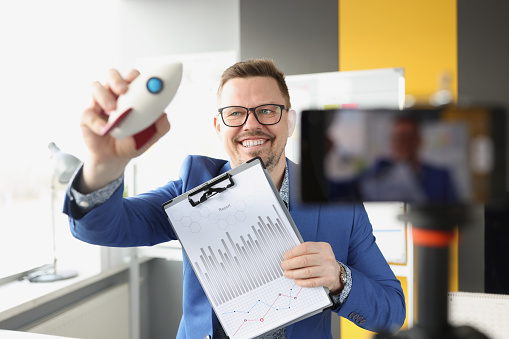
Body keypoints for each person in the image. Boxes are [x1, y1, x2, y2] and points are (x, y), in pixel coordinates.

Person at [63, 59, 406, 338]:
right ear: (218, 125)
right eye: (235, 113)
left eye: (268, 111)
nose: (251, 125)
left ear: (289, 122)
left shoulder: (339, 203)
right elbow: (99, 228)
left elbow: (392, 313)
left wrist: (338, 278)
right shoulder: (192, 185)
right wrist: (103, 165)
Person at [359, 116, 458, 203]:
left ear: (418, 140)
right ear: (392, 142)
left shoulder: (441, 177)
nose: (405, 144)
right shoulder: (378, 176)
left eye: (410, 138)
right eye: (400, 138)